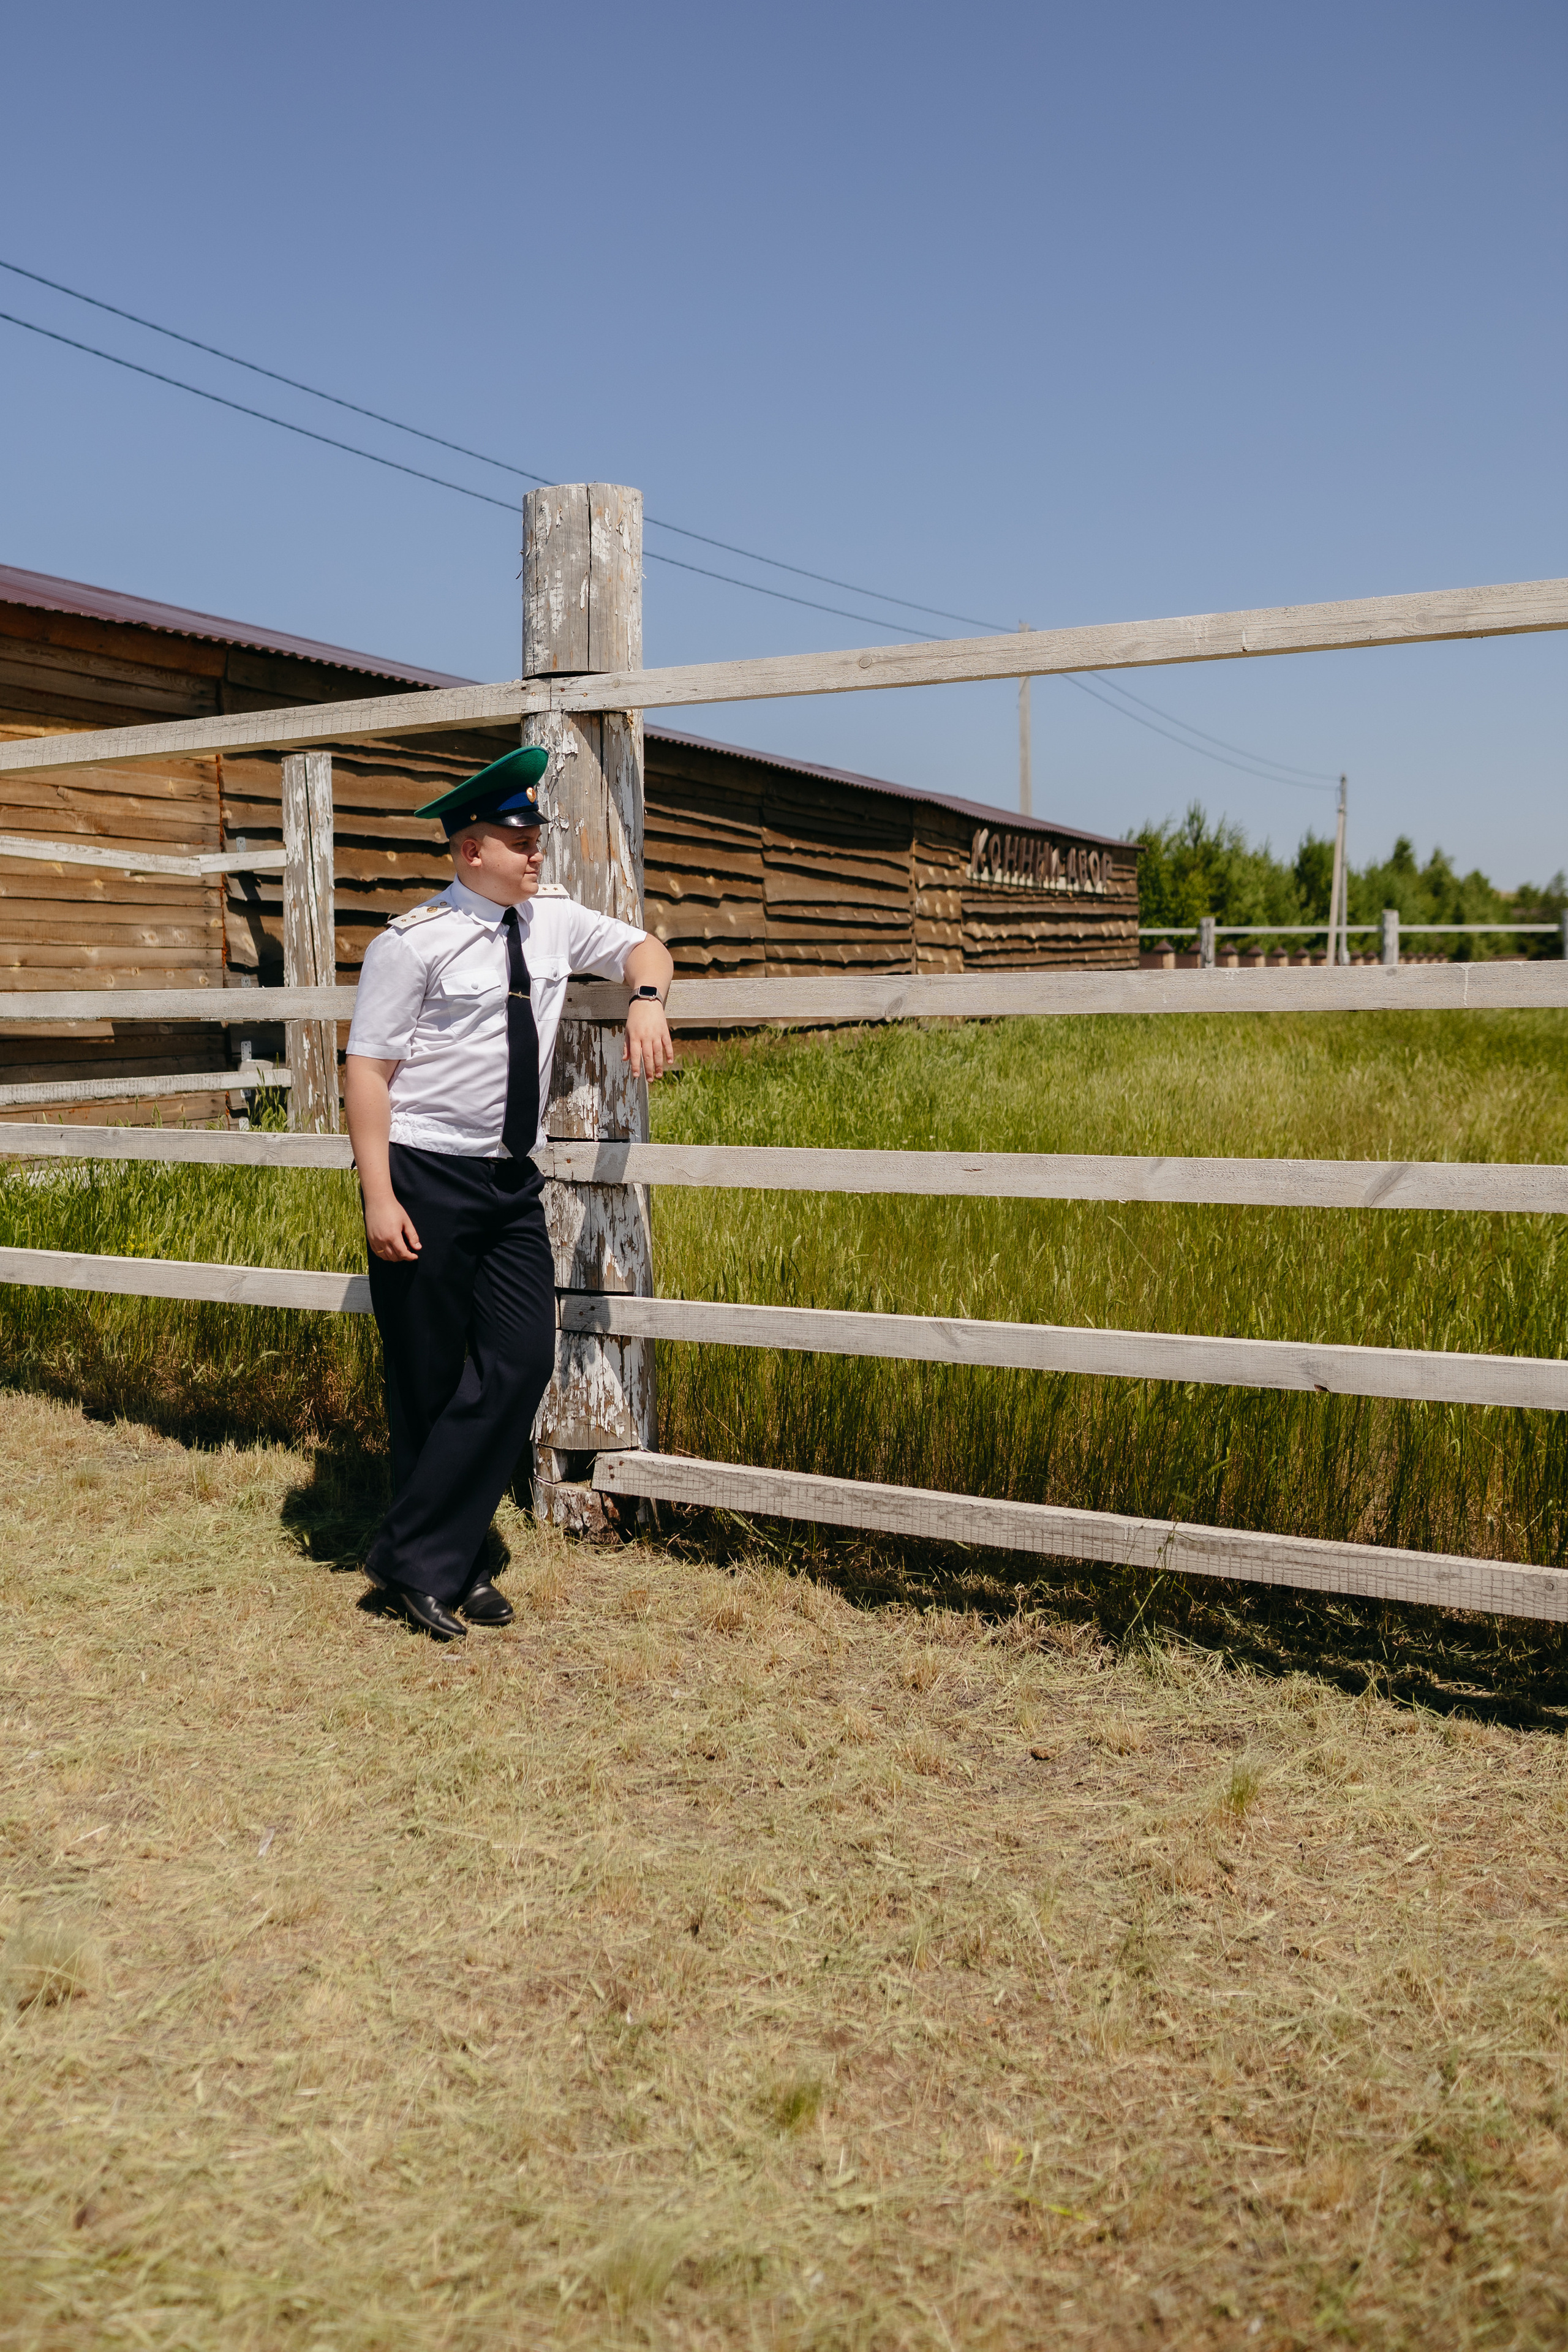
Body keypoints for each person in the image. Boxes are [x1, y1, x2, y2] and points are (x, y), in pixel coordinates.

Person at [343, 743, 675, 1640]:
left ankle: (414, 1556)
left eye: (538, 838)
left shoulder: (555, 922)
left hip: (507, 1185)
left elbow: (646, 944)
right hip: (424, 1172)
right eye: (515, 839)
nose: (536, 854)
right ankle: (460, 1562)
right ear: (468, 852)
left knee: (521, 1360)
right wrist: (380, 1195)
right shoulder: (411, 945)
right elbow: (367, 1071)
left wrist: (646, 997)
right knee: (425, 1378)